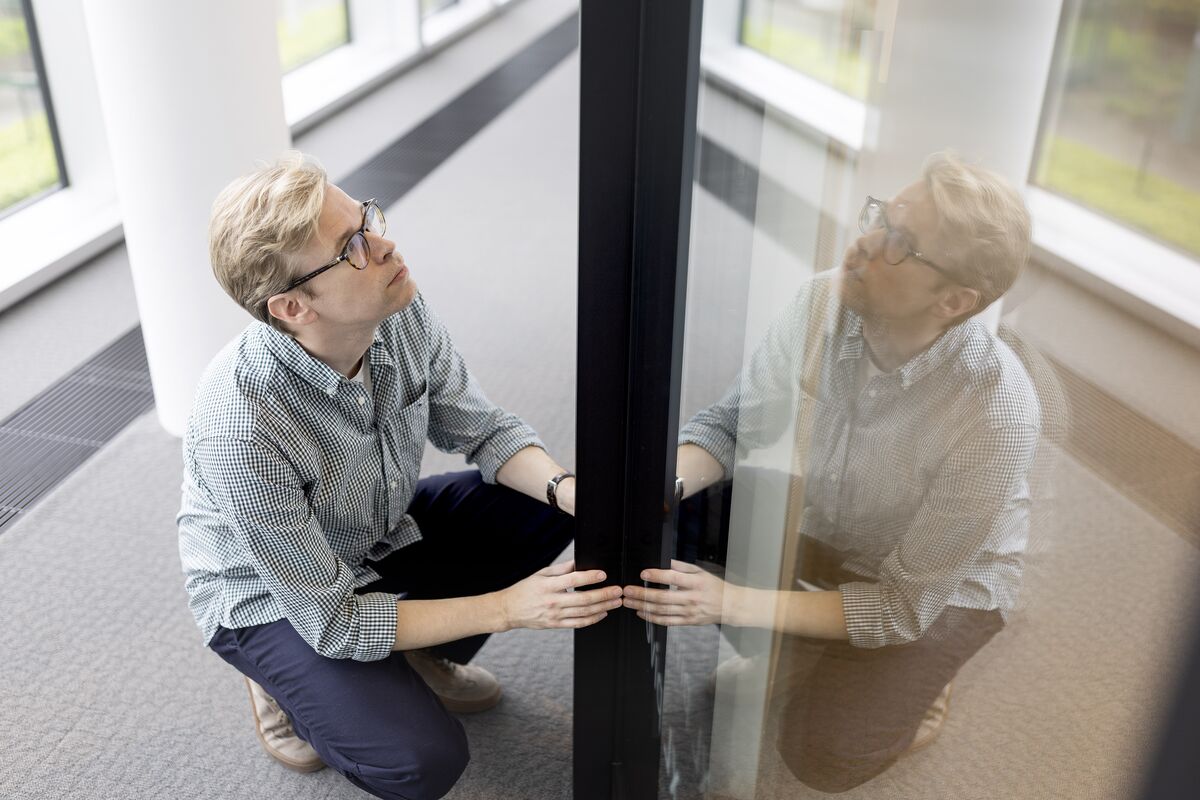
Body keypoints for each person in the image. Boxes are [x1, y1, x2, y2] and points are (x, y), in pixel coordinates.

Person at [177, 151, 620, 800]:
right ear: (294, 308)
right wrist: (508, 610)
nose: (384, 245)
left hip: (371, 529)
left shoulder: (394, 304)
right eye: (352, 246)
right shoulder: (241, 425)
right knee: (421, 760)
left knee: (549, 502)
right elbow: (332, 622)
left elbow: (485, 430)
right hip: (276, 597)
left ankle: (409, 652)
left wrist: (571, 491)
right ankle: (278, 680)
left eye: (368, 218)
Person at [622, 151, 1042, 792]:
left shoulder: (997, 410)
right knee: (666, 512)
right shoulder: (824, 299)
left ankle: (917, 678)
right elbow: (735, 425)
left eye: (900, 244)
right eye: (880, 217)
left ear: (955, 300)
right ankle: (802, 646)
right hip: (834, 524)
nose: (865, 243)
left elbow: (902, 605)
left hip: (935, 588)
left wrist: (736, 603)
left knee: (825, 755)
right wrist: (657, 491)